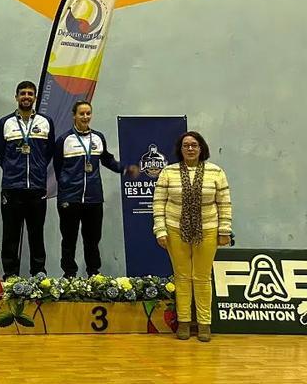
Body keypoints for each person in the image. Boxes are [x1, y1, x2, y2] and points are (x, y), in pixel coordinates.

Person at [153, 131, 232, 342]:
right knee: (182, 277)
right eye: (186, 145)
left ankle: (204, 324)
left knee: (202, 278)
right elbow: (159, 203)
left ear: (201, 148)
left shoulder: (216, 172)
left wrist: (224, 230)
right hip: (174, 230)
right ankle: (185, 322)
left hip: (208, 230)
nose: (190, 149)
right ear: (180, 149)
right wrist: (160, 230)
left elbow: (224, 204)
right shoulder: (168, 173)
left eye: (194, 145)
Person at [53, 100, 138, 278]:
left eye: (88, 113)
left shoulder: (98, 138)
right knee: (69, 239)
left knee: (92, 240)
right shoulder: (64, 140)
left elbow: (107, 159)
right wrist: (66, 190)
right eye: (81, 113)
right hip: (70, 198)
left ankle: (93, 273)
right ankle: (69, 274)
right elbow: (58, 167)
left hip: (94, 198)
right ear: (74, 116)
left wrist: (124, 168)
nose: (85, 117)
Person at [0, 81, 54, 279]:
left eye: (30, 93)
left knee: (36, 233)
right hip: (12, 188)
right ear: (16, 97)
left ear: (35, 97)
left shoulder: (45, 122)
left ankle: (38, 272)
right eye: (22, 93)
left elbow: (49, 152)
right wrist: (13, 171)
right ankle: (10, 273)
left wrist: (36, 170)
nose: (26, 97)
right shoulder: (5, 123)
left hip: (37, 187)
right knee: (10, 234)